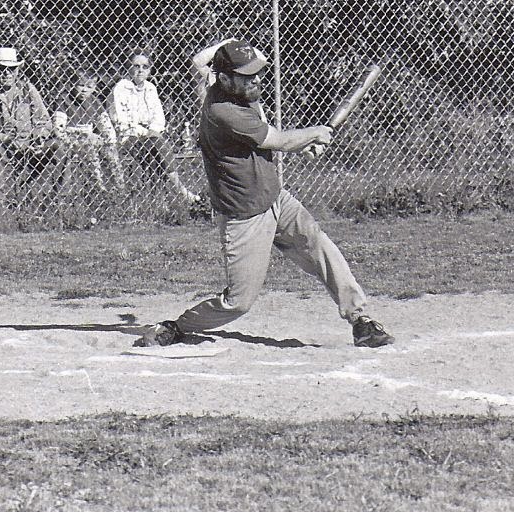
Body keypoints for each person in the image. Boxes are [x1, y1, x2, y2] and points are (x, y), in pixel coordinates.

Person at [135, 40, 394, 349]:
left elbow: (197, 62)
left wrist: (231, 44)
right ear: (225, 78)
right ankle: (177, 327)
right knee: (239, 302)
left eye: (257, 73)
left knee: (319, 245)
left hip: (276, 199)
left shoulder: (241, 91)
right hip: (244, 216)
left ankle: (360, 321)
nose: (256, 79)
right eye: (246, 75)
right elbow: (278, 141)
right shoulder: (221, 110)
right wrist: (314, 134)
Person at [0, 47, 65, 208]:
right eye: (1, 69)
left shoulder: (28, 89)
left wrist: (39, 136)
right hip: (5, 146)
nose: (7, 74)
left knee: (59, 147)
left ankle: (59, 198)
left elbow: (44, 121)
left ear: (17, 70)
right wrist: (7, 139)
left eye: (11, 70)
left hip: (31, 144)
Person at [109, 51, 200, 203]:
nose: (140, 70)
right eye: (136, 66)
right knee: (157, 145)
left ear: (150, 70)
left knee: (155, 148)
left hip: (151, 136)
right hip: (128, 138)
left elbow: (159, 119)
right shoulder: (121, 88)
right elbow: (121, 122)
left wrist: (152, 130)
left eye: (145, 67)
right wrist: (147, 131)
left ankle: (161, 199)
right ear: (129, 68)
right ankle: (181, 191)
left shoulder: (150, 88)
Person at [53, 70, 124, 194]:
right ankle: (98, 187)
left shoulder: (94, 102)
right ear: (72, 84)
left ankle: (118, 186)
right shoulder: (64, 100)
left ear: (94, 88)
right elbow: (59, 129)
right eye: (81, 85)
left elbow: (105, 124)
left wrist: (110, 140)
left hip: (91, 137)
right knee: (88, 147)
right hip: (72, 137)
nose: (84, 90)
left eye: (89, 86)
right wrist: (77, 137)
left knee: (110, 150)